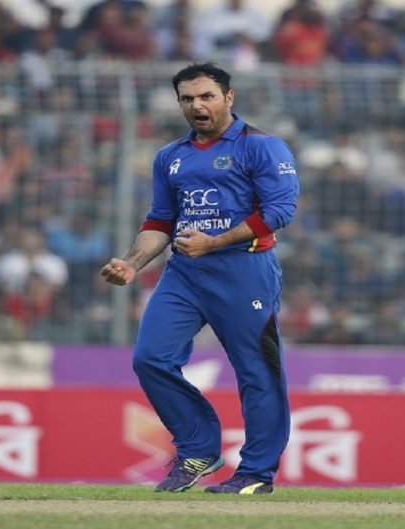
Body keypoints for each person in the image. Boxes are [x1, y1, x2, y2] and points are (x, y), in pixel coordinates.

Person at [100, 63, 299, 494]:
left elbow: (280, 211)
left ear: (228, 97)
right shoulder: (170, 156)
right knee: (150, 358)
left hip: (245, 273)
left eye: (207, 96)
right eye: (187, 99)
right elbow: (160, 220)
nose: (197, 105)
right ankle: (198, 450)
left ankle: (255, 474)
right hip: (185, 274)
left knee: (257, 373)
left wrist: (215, 242)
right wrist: (133, 263)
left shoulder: (262, 146)